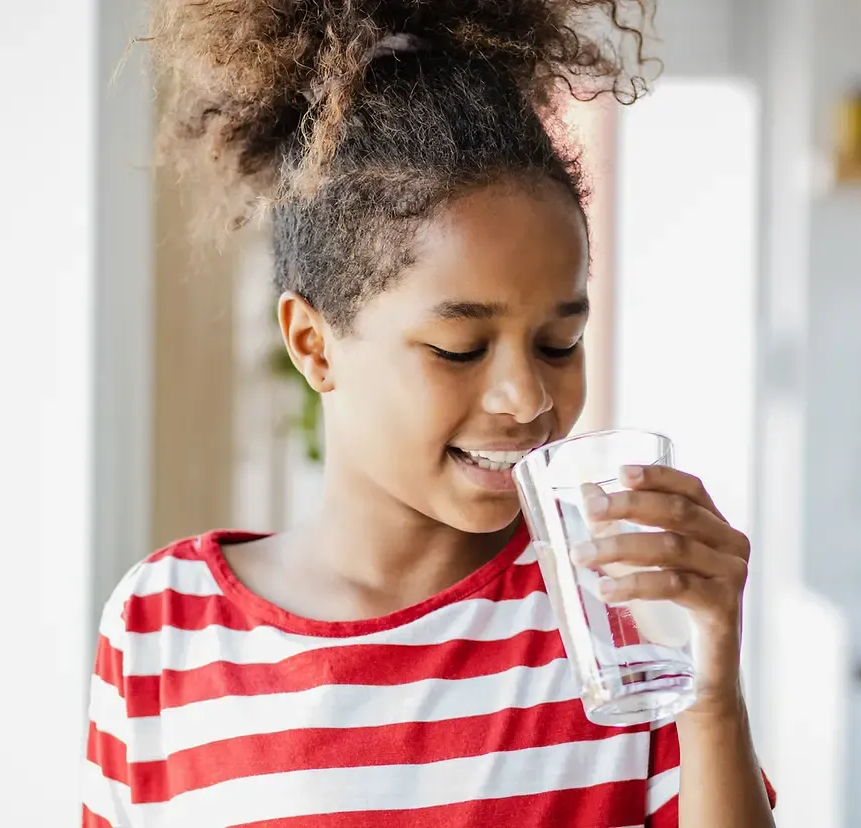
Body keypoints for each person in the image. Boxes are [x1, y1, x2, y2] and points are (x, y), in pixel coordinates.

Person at [83, 1, 776, 825]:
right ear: (314, 344)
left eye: (560, 342)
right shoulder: (164, 623)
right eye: (460, 348)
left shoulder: (614, 618)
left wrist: (712, 696)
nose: (530, 400)